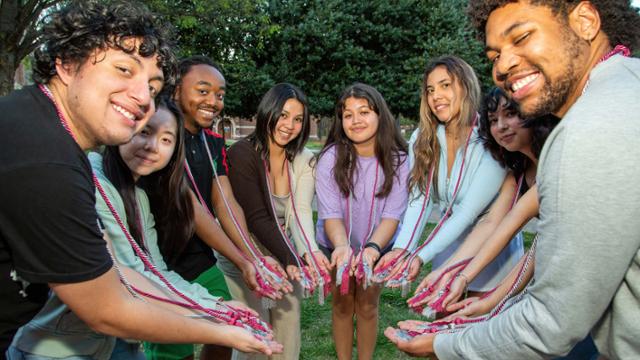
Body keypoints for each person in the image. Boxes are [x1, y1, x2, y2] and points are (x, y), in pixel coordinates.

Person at [0, 0, 277, 357]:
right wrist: (219, 329)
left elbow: (128, 270)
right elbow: (105, 309)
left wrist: (214, 308)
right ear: (67, 64)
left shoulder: (53, 139)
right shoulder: (45, 157)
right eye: (123, 69)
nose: (142, 97)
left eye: (153, 84)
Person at [385, 1, 640, 358]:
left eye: (522, 37)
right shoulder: (625, 86)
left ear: (585, 21)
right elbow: (512, 227)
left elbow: (551, 322)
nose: (503, 66)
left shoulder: (589, 129)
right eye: (494, 55)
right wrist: (471, 286)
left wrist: (443, 342)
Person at [9, 98, 265, 359]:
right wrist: (214, 317)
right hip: (54, 345)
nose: (153, 147)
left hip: (103, 340)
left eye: (167, 140)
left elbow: (153, 269)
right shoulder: (92, 184)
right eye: (145, 132)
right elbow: (126, 276)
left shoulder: (138, 195)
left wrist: (217, 306)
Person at [376, 56, 521, 301]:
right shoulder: (423, 138)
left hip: (490, 248)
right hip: (446, 243)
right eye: (430, 89)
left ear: (465, 86)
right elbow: (419, 200)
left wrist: (420, 256)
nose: (435, 96)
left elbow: (467, 212)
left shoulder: (491, 137)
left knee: (479, 327)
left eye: (445, 85)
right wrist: (403, 249)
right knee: (440, 322)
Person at [410, 88, 556, 312]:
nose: (501, 126)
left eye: (511, 114)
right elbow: (492, 223)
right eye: (493, 120)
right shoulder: (517, 170)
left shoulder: (554, 161)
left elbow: (522, 233)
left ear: (533, 112)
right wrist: (449, 272)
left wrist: (465, 281)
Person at [225, 83, 331, 360]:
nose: (290, 125)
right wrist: (292, 257)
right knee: (254, 335)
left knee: (288, 331)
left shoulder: (304, 159)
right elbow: (256, 217)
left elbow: (301, 213)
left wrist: (309, 253)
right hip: (245, 251)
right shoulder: (241, 154)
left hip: (285, 251)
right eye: (283, 115)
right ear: (268, 112)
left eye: (298, 119)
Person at [315, 83, 409, 360]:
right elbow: (330, 214)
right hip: (336, 243)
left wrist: (371, 250)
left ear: (380, 115)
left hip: (378, 245)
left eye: (364, 112)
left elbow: (392, 215)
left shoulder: (400, 160)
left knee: (367, 305)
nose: (356, 120)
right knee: (343, 304)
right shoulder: (330, 159)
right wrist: (342, 248)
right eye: (348, 114)